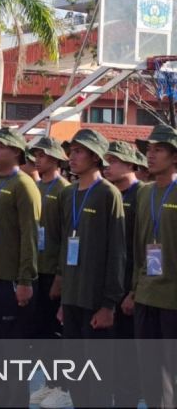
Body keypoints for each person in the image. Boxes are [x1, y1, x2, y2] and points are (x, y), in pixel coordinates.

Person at [55, 129, 124, 408]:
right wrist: (63, 298)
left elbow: (117, 251)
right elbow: (64, 246)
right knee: (76, 376)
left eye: (79, 151)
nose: (72, 156)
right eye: (71, 151)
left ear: (96, 157)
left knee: (97, 379)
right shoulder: (68, 194)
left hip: (95, 302)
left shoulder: (108, 194)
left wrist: (109, 304)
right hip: (72, 299)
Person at [0, 127, 40, 407]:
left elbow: (30, 237)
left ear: (16, 151)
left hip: (11, 281)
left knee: (13, 353)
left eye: (0, 146)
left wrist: (25, 279)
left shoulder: (24, 186)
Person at [132, 125, 177, 408]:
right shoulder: (144, 193)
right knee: (149, 373)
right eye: (148, 150)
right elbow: (138, 246)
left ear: (174, 157)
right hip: (145, 297)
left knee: (170, 375)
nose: (150, 155)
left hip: (172, 301)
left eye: (158, 150)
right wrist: (134, 289)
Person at [27, 136, 71, 408]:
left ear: (55, 158)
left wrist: (60, 276)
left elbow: (68, 237)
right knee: (39, 331)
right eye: (36, 155)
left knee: (56, 333)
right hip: (35, 270)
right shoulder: (34, 187)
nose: (37, 160)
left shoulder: (64, 190)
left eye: (42, 155)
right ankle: (49, 383)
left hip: (53, 271)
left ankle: (64, 387)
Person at [104, 140, 147, 408]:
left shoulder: (142, 195)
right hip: (109, 289)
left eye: (115, 161)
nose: (109, 166)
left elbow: (146, 248)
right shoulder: (109, 195)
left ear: (131, 164)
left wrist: (135, 291)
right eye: (107, 161)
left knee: (129, 359)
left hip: (132, 290)